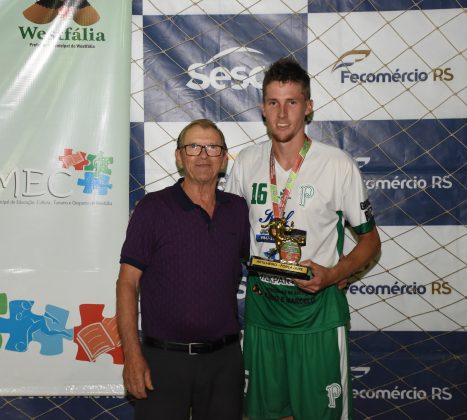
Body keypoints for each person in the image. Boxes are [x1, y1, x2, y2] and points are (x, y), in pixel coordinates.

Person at [225, 57, 381, 420]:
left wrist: (335, 273)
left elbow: (371, 242)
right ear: (262, 108)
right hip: (263, 317)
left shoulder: (337, 164)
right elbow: (227, 236)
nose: (282, 114)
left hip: (317, 318)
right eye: (273, 102)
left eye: (292, 102)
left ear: (308, 107)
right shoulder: (246, 162)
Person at [116, 119, 250, 420]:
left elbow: (262, 261)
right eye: (193, 147)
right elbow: (127, 283)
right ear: (179, 157)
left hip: (225, 362)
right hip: (163, 361)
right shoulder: (152, 208)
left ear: (224, 158)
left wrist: (328, 272)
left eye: (212, 147)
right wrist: (132, 355)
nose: (203, 155)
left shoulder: (238, 210)